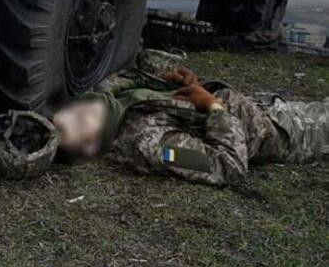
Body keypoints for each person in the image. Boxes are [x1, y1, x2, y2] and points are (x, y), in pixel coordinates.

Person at [51, 50, 328, 186]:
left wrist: (168, 84)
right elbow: (226, 165)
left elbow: (121, 80)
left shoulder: (110, 102)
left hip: (268, 108)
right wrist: (214, 107)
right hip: (289, 132)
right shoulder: (153, 147)